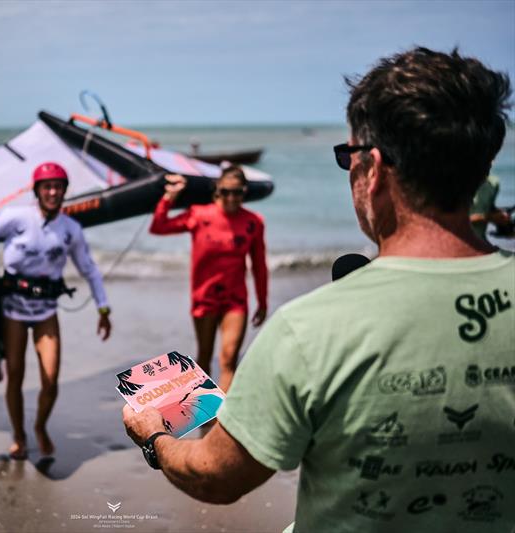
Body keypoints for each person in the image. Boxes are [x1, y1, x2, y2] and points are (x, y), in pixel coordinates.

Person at [123, 47, 513, 533]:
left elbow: (216, 479)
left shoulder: (309, 331)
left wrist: (154, 434)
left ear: (372, 169)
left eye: (346, 156)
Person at [0, 161, 112, 460]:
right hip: (14, 310)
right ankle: (19, 436)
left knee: (50, 379)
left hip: (46, 311)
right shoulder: (17, 218)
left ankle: (40, 427)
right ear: (37, 191)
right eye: (47, 187)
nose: (53, 192)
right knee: (16, 376)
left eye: (58, 187)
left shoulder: (70, 230)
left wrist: (103, 308)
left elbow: (90, 269)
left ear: (64, 191)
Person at [149, 166, 267, 392]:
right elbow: (158, 226)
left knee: (229, 359)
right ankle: (204, 419)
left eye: (237, 192)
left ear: (245, 192)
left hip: (235, 300)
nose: (231, 198)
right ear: (217, 191)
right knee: (204, 358)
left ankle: (223, 422)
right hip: (205, 298)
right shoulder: (199, 214)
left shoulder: (253, 222)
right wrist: (170, 196)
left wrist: (262, 301)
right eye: (225, 192)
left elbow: (259, 265)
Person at [470, 175, 510, 240]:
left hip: (481, 242)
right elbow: (450, 221)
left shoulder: (493, 182)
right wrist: (489, 217)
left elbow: (486, 207)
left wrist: (501, 217)